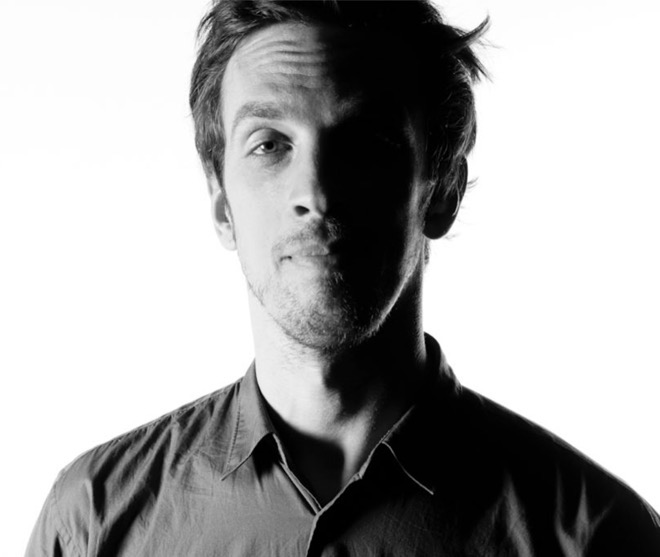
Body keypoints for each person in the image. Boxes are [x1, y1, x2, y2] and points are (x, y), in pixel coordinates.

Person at [25, 1, 660, 555]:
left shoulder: (596, 537)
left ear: (442, 190)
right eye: (269, 144)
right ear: (221, 204)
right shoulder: (93, 521)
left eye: (366, 143)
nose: (316, 192)